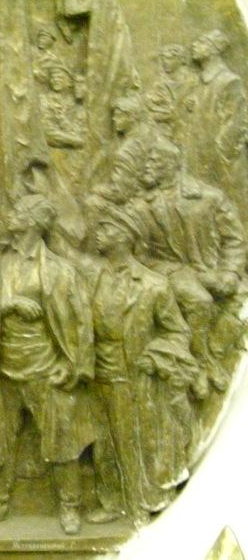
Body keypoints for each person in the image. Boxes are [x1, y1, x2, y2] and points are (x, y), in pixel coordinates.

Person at [0, 194, 94, 536]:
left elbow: (80, 321)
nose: (11, 214)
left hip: (45, 368)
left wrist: (74, 364)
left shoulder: (58, 270)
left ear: (36, 221)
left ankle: (69, 505)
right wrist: (8, 303)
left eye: (19, 210)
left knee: (61, 440)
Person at [84, 206, 195, 526]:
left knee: (133, 441)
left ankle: (141, 505)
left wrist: (153, 355)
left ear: (124, 236)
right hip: (97, 372)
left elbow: (178, 332)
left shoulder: (154, 285)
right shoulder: (91, 277)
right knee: (104, 442)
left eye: (106, 229)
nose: (98, 235)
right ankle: (112, 500)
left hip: (135, 376)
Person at [130, 137, 246, 395]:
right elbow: (137, 255)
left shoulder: (210, 198)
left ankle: (212, 354)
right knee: (199, 301)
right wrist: (182, 273)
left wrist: (229, 273)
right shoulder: (139, 206)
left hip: (212, 270)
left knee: (241, 299)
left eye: (153, 162)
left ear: (171, 165)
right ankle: (201, 364)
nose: (146, 167)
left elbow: (234, 240)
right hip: (169, 272)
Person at [187, 29, 248, 220]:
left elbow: (236, 124)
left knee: (229, 209)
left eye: (201, 42)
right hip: (199, 158)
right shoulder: (200, 81)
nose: (194, 45)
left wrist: (218, 153)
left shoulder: (229, 81)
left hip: (219, 163)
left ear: (214, 50)